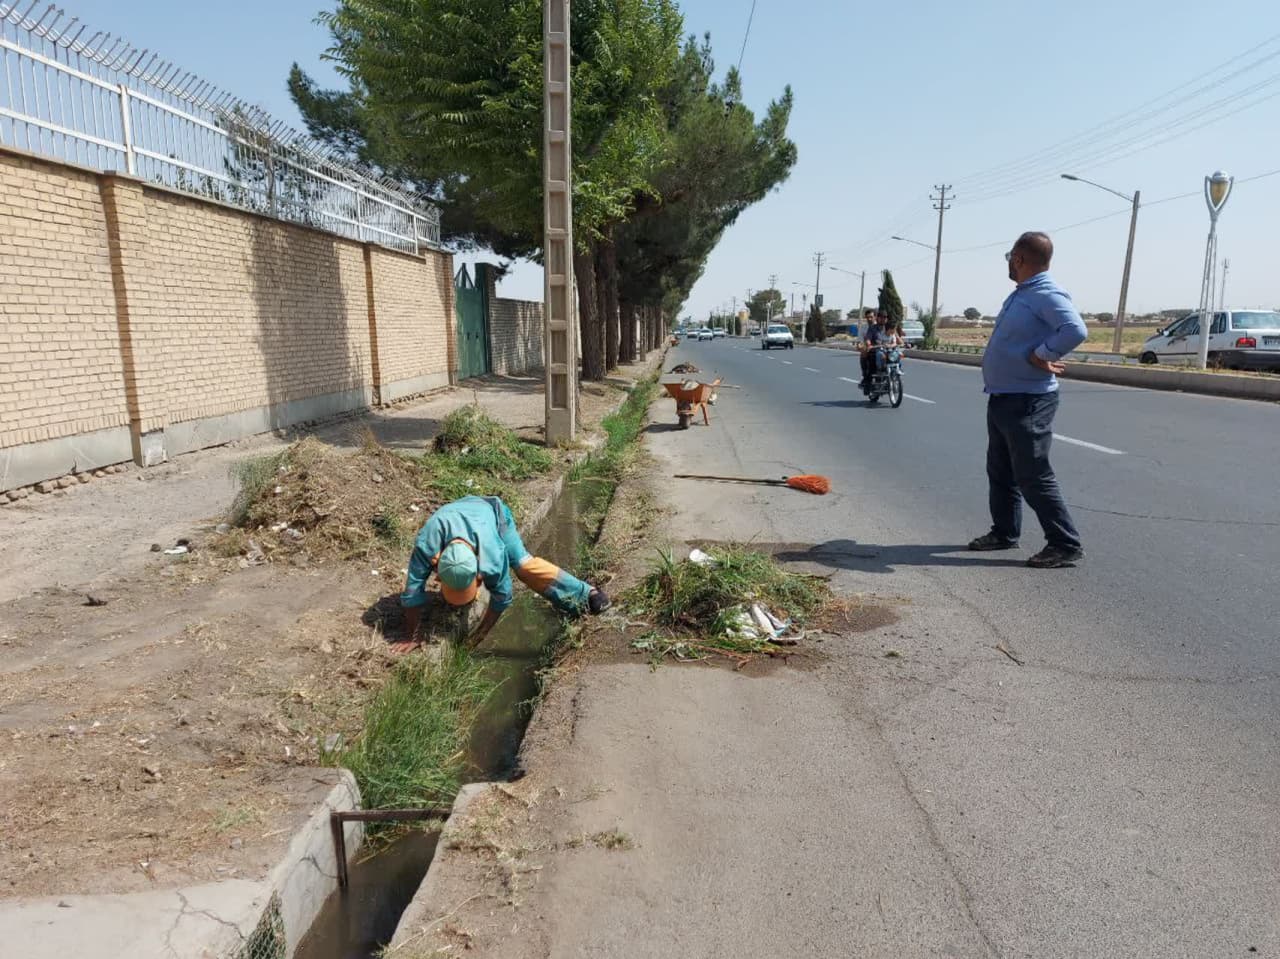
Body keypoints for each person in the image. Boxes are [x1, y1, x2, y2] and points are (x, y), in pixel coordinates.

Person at [968, 231, 1087, 568]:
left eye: (1010, 257)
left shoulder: (1046, 294)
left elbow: (1075, 329)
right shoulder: (1024, 293)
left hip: (1028, 400)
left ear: (1019, 259)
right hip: (1005, 396)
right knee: (1001, 471)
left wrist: (1042, 354)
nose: (1009, 262)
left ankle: (1064, 544)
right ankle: (1004, 533)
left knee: (1033, 474)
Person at [400, 495, 609, 649]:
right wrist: (413, 635)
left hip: (493, 513)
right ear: (437, 570)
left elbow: (502, 597)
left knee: (524, 566)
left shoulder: (493, 554)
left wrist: (480, 635)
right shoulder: (427, 545)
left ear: (479, 575)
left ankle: (585, 594)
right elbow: (412, 592)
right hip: (454, 514)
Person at [859, 310, 902, 389]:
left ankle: (897, 372)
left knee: (898, 355)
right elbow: (868, 338)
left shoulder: (889, 327)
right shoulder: (872, 328)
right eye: (881, 317)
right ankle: (867, 379)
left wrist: (900, 342)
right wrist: (869, 344)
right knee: (869, 358)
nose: (883, 319)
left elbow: (897, 339)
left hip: (888, 350)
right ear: (877, 318)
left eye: (885, 317)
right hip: (876, 349)